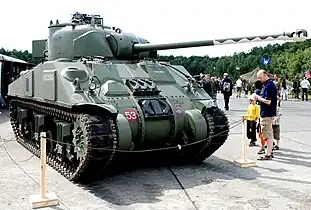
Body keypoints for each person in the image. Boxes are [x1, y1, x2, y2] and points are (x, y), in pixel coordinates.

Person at [254, 69, 277, 160]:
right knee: (269, 134)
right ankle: (269, 152)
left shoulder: (269, 85)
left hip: (267, 113)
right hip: (268, 113)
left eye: (260, 77)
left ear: (265, 75)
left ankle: (268, 154)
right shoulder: (269, 84)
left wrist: (257, 97)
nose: (260, 79)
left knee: (267, 134)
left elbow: (268, 101)